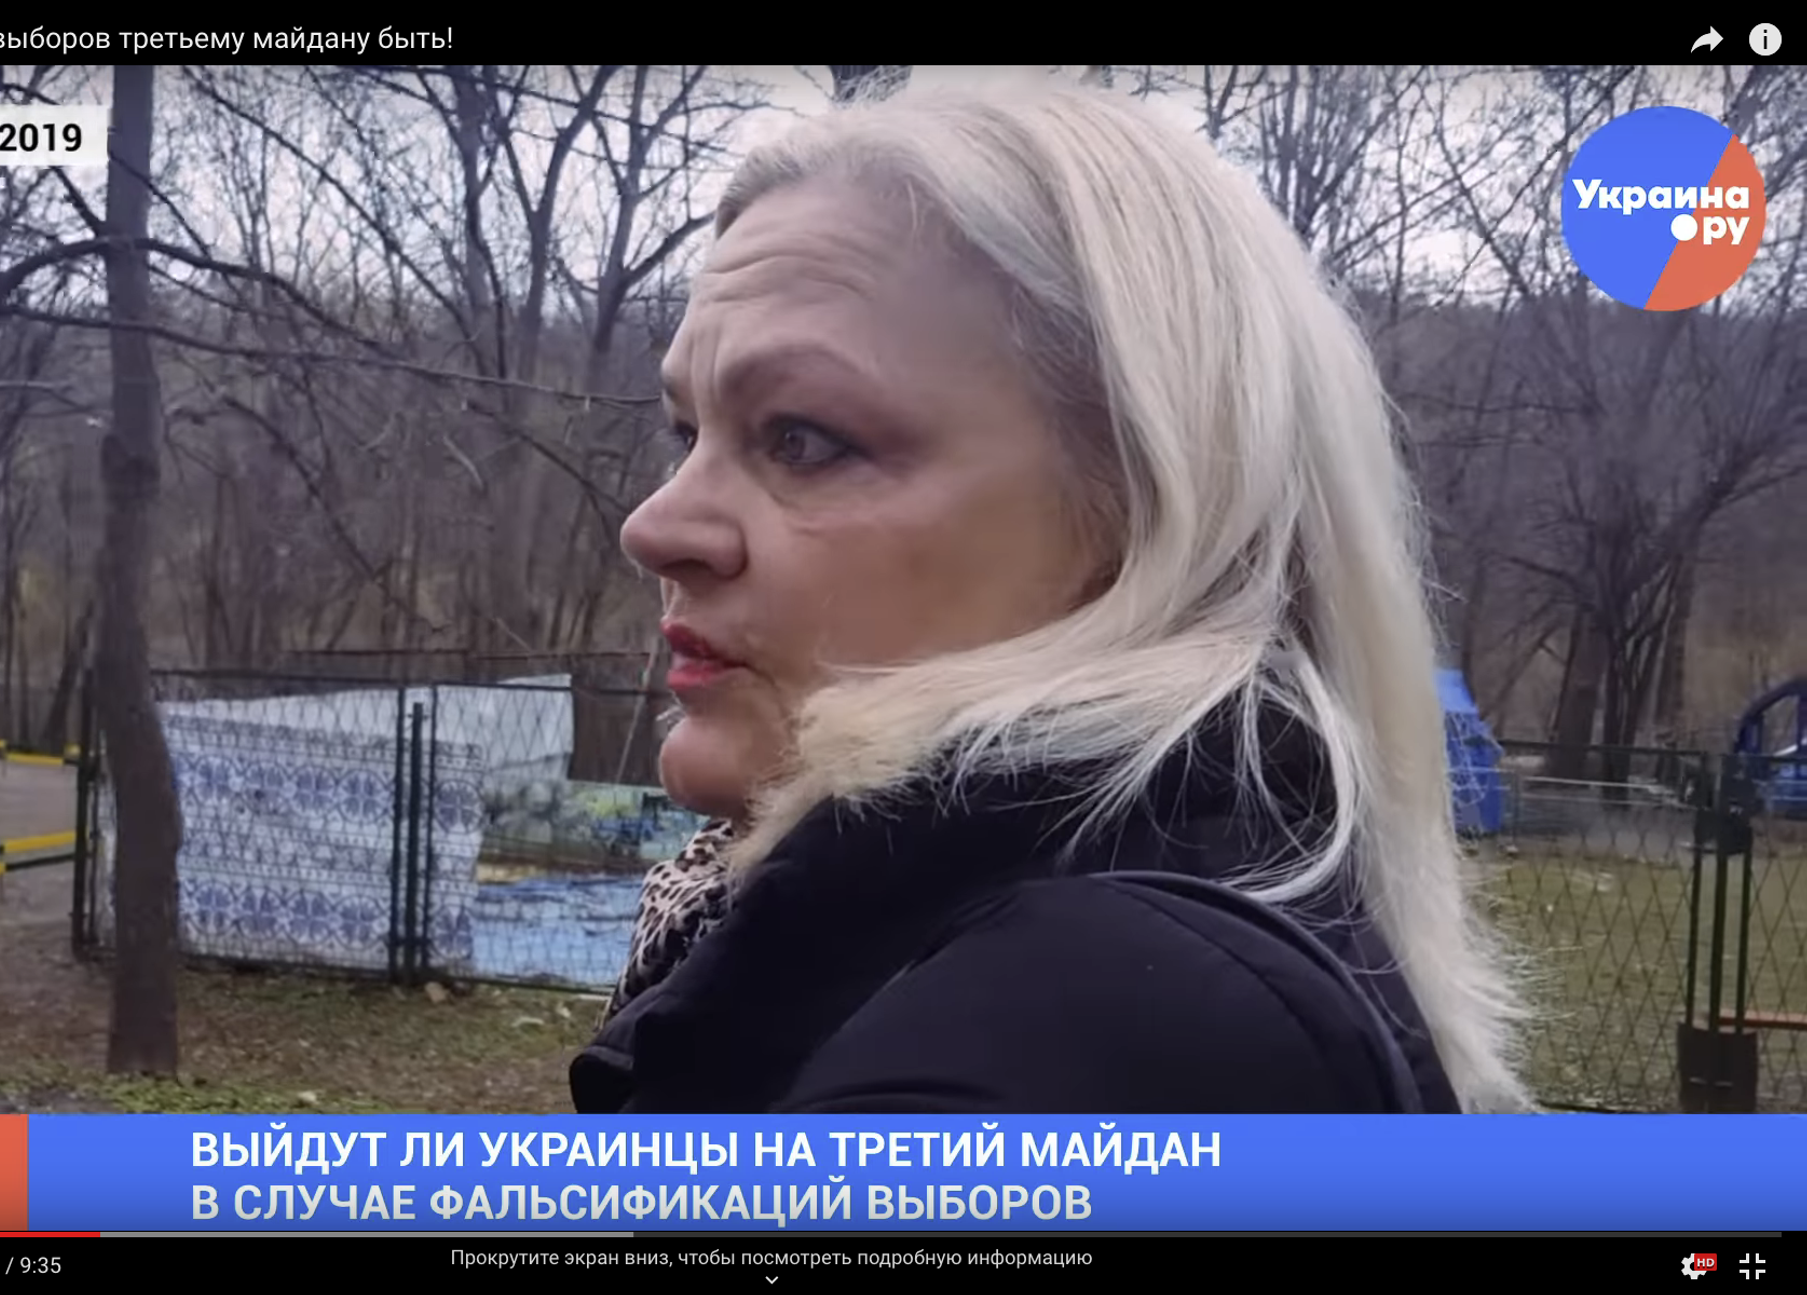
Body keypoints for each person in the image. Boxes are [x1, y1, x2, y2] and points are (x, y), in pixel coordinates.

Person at [570, 77, 1532, 1117]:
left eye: (801, 439)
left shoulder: (1105, 1030)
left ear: (1138, 516)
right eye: (686, 434)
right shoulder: (974, 948)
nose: (655, 527)